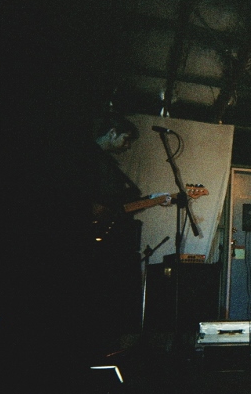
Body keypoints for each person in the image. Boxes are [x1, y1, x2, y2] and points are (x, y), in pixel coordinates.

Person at [87, 112, 170, 359]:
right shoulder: (92, 160)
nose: (127, 146)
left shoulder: (107, 164)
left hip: (113, 241)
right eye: (126, 139)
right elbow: (100, 206)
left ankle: (109, 349)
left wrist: (152, 200)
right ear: (112, 132)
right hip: (103, 245)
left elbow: (119, 205)